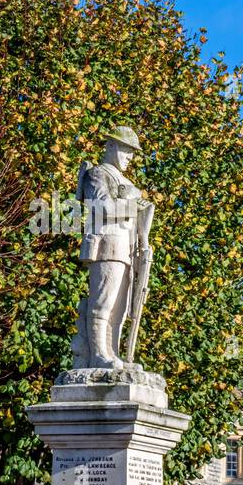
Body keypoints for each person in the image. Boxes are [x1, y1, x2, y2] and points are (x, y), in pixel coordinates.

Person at [70, 125, 153, 369]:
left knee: (121, 308)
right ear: (112, 146)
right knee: (103, 302)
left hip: (127, 248)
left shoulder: (124, 181)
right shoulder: (98, 174)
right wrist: (133, 206)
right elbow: (102, 208)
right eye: (127, 151)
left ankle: (112, 354)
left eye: (132, 154)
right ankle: (98, 355)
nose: (130, 158)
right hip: (107, 244)